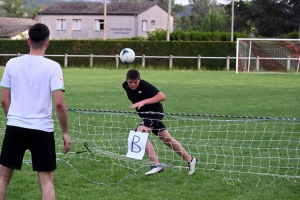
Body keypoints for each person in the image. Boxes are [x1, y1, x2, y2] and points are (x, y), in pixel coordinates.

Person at [0, 23, 71, 200]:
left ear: (28, 40)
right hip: (42, 129)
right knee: (47, 182)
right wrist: (65, 132)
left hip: (15, 126)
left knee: (2, 178)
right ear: (47, 42)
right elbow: (60, 104)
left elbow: (4, 99)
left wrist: (14, 118)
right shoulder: (53, 67)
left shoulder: (12, 63)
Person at [122, 69, 198, 176]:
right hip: (146, 115)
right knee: (167, 139)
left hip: (155, 113)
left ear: (140, 80)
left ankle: (156, 165)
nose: (133, 85)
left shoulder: (145, 85)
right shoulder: (125, 86)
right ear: (127, 80)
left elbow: (162, 96)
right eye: (131, 82)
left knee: (139, 134)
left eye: (136, 82)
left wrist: (143, 102)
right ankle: (190, 159)